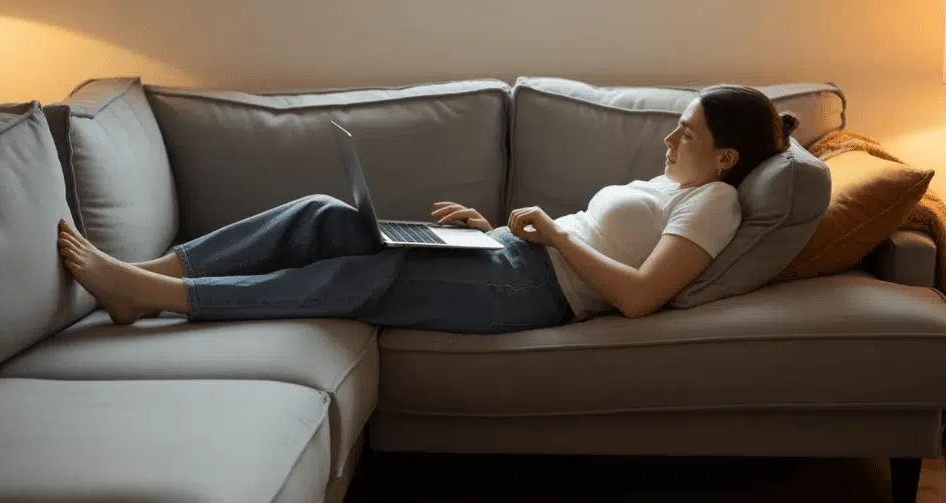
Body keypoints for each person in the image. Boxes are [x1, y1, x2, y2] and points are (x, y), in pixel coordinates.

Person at [57, 85, 798, 334]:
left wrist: (547, 240)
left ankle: (159, 296)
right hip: (516, 256)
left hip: (533, 292)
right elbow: (598, 235)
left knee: (363, 272)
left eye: (688, 132)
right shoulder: (679, 185)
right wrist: (501, 228)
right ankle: (144, 274)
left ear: (728, 159)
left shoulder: (714, 206)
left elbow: (639, 298)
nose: (670, 136)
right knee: (322, 212)